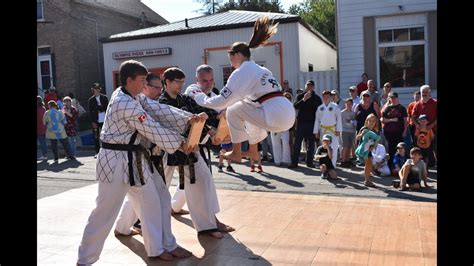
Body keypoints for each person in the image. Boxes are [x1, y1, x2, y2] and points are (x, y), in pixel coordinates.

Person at [76, 60, 193, 265]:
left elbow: (157, 109)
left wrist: (189, 118)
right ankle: (85, 259)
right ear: (129, 80)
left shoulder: (133, 96)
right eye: (141, 80)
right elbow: (151, 127)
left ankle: (160, 247)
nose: (144, 84)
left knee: (158, 199)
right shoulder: (124, 102)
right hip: (114, 161)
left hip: (135, 160)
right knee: (104, 211)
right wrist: (180, 143)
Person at [188, 16, 296, 165]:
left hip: (276, 114)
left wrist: (199, 97)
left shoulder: (241, 72)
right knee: (246, 104)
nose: (231, 64)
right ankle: (253, 150)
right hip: (287, 113)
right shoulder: (262, 69)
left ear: (237, 55)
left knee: (233, 109)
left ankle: (237, 152)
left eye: (230, 59)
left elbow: (221, 101)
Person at [159, 67, 234, 238]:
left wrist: (216, 119)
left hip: (190, 149)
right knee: (156, 187)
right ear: (167, 82)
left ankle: (207, 225)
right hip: (167, 150)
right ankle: (132, 220)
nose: (180, 85)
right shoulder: (162, 103)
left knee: (202, 180)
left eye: (182, 82)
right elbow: (182, 118)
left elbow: (203, 114)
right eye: (177, 82)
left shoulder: (185, 98)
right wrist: (199, 124)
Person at [288, 79, 322, 168]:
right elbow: (295, 106)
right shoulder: (300, 96)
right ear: (305, 86)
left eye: (311, 85)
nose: (309, 87)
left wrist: (311, 99)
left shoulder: (317, 98)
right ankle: (294, 162)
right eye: (307, 85)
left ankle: (309, 162)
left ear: (313, 87)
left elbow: (319, 109)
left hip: (312, 123)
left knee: (311, 144)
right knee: (297, 144)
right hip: (301, 123)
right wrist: (304, 99)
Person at [314, 90, 342, 168]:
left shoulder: (335, 106)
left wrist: (338, 130)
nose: (326, 98)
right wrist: (316, 131)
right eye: (324, 97)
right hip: (323, 130)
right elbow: (317, 120)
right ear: (322, 97)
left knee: (334, 147)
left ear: (330, 97)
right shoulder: (320, 108)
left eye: (328, 97)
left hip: (333, 130)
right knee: (324, 148)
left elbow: (339, 119)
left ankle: (333, 165)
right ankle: (325, 165)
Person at [380, 92, 407, 170]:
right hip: (388, 132)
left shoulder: (402, 108)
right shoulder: (387, 108)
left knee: (400, 149)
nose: (393, 99)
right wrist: (392, 120)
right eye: (391, 98)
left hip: (399, 132)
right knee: (391, 149)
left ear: (397, 98)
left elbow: (405, 121)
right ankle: (391, 166)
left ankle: (400, 167)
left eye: (394, 97)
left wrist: (405, 130)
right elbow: (382, 119)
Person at [355, 114, 381, 187]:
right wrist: (361, 135)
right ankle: (367, 180)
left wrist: (373, 147)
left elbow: (376, 140)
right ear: (367, 121)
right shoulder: (364, 128)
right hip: (363, 150)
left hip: (369, 149)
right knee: (368, 163)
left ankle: (367, 178)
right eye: (370, 121)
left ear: (375, 122)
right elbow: (357, 138)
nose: (371, 122)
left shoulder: (375, 130)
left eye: (373, 121)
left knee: (369, 164)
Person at [88, 83, 109, 157]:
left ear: (100, 89)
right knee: (96, 137)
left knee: (105, 136)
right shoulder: (91, 100)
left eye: (97, 89)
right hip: (96, 120)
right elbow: (90, 112)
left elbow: (107, 108)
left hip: (104, 119)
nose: (96, 91)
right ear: (93, 90)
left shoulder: (104, 98)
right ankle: (97, 152)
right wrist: (93, 122)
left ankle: (106, 151)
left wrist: (100, 108)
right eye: (95, 89)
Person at [340, 98, 356, 168]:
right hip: (345, 131)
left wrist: (354, 122)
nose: (349, 105)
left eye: (350, 104)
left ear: (352, 105)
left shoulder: (353, 113)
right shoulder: (342, 113)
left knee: (349, 146)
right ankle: (343, 161)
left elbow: (355, 122)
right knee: (345, 146)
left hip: (352, 131)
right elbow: (339, 122)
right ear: (345, 104)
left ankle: (347, 160)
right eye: (347, 104)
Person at [37, 96, 48, 160]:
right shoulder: (43, 108)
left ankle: (45, 155)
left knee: (42, 142)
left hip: (39, 127)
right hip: (44, 127)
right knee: (43, 141)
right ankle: (45, 154)